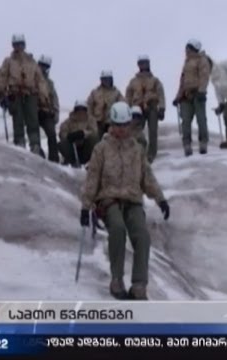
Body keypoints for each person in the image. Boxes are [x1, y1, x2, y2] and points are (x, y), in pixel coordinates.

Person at [80, 102, 170, 300]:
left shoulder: (137, 150)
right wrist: (86, 206)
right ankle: (117, 280)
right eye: (118, 125)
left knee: (142, 236)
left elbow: (147, 177)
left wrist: (161, 199)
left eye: (125, 125)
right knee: (118, 230)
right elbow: (92, 178)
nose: (121, 129)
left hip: (133, 200)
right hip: (109, 200)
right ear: (111, 124)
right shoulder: (101, 149)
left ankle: (139, 286)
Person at [0, 34, 49, 155]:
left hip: (30, 94)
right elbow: (2, 76)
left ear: (24, 45)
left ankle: (35, 144)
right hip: (14, 93)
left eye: (20, 44)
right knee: (18, 120)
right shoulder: (8, 61)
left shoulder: (32, 62)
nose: (18, 47)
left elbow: (40, 80)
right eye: (16, 44)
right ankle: (19, 143)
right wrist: (0, 93)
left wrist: (44, 97)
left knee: (32, 120)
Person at [172, 39, 211, 156]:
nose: (186, 51)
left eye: (188, 49)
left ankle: (203, 143)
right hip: (186, 96)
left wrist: (202, 91)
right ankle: (187, 145)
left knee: (201, 119)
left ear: (193, 48)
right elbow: (182, 81)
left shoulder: (202, 60)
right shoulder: (186, 63)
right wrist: (178, 96)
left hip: (198, 94)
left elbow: (204, 76)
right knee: (186, 121)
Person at [125, 55, 166, 163]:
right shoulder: (133, 81)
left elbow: (161, 93)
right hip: (137, 108)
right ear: (138, 65)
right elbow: (128, 95)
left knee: (153, 131)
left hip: (152, 106)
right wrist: (127, 109)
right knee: (135, 130)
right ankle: (136, 152)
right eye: (141, 63)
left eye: (145, 63)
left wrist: (162, 108)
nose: (143, 65)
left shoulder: (154, 80)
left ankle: (151, 155)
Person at [58, 100, 99, 167]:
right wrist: (70, 136)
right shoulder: (68, 121)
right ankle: (71, 161)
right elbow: (62, 132)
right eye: (78, 109)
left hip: (85, 148)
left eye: (83, 109)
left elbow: (94, 132)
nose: (80, 111)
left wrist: (83, 133)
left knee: (94, 139)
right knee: (62, 144)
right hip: (73, 147)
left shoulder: (91, 120)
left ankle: (90, 161)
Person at [86, 70, 125, 140]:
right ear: (101, 80)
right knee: (95, 139)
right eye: (104, 79)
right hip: (97, 122)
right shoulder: (95, 92)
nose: (106, 81)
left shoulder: (116, 93)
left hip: (111, 122)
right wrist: (91, 119)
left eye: (108, 79)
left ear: (111, 80)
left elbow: (123, 105)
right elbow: (89, 106)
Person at [37, 55, 60, 162]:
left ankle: (54, 159)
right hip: (34, 111)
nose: (43, 68)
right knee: (33, 133)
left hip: (47, 113)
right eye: (42, 65)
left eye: (46, 66)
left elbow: (55, 99)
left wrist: (55, 113)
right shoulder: (32, 79)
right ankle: (37, 154)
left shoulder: (50, 83)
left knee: (52, 134)